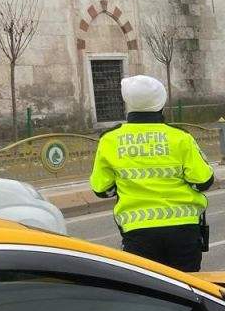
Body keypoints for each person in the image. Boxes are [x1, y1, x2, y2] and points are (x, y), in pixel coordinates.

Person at [90, 75, 215, 271]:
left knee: (150, 294)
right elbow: (203, 180)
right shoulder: (180, 137)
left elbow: (101, 188)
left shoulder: (109, 140)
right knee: (187, 291)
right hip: (183, 229)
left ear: (128, 104)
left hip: (138, 232)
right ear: (161, 103)